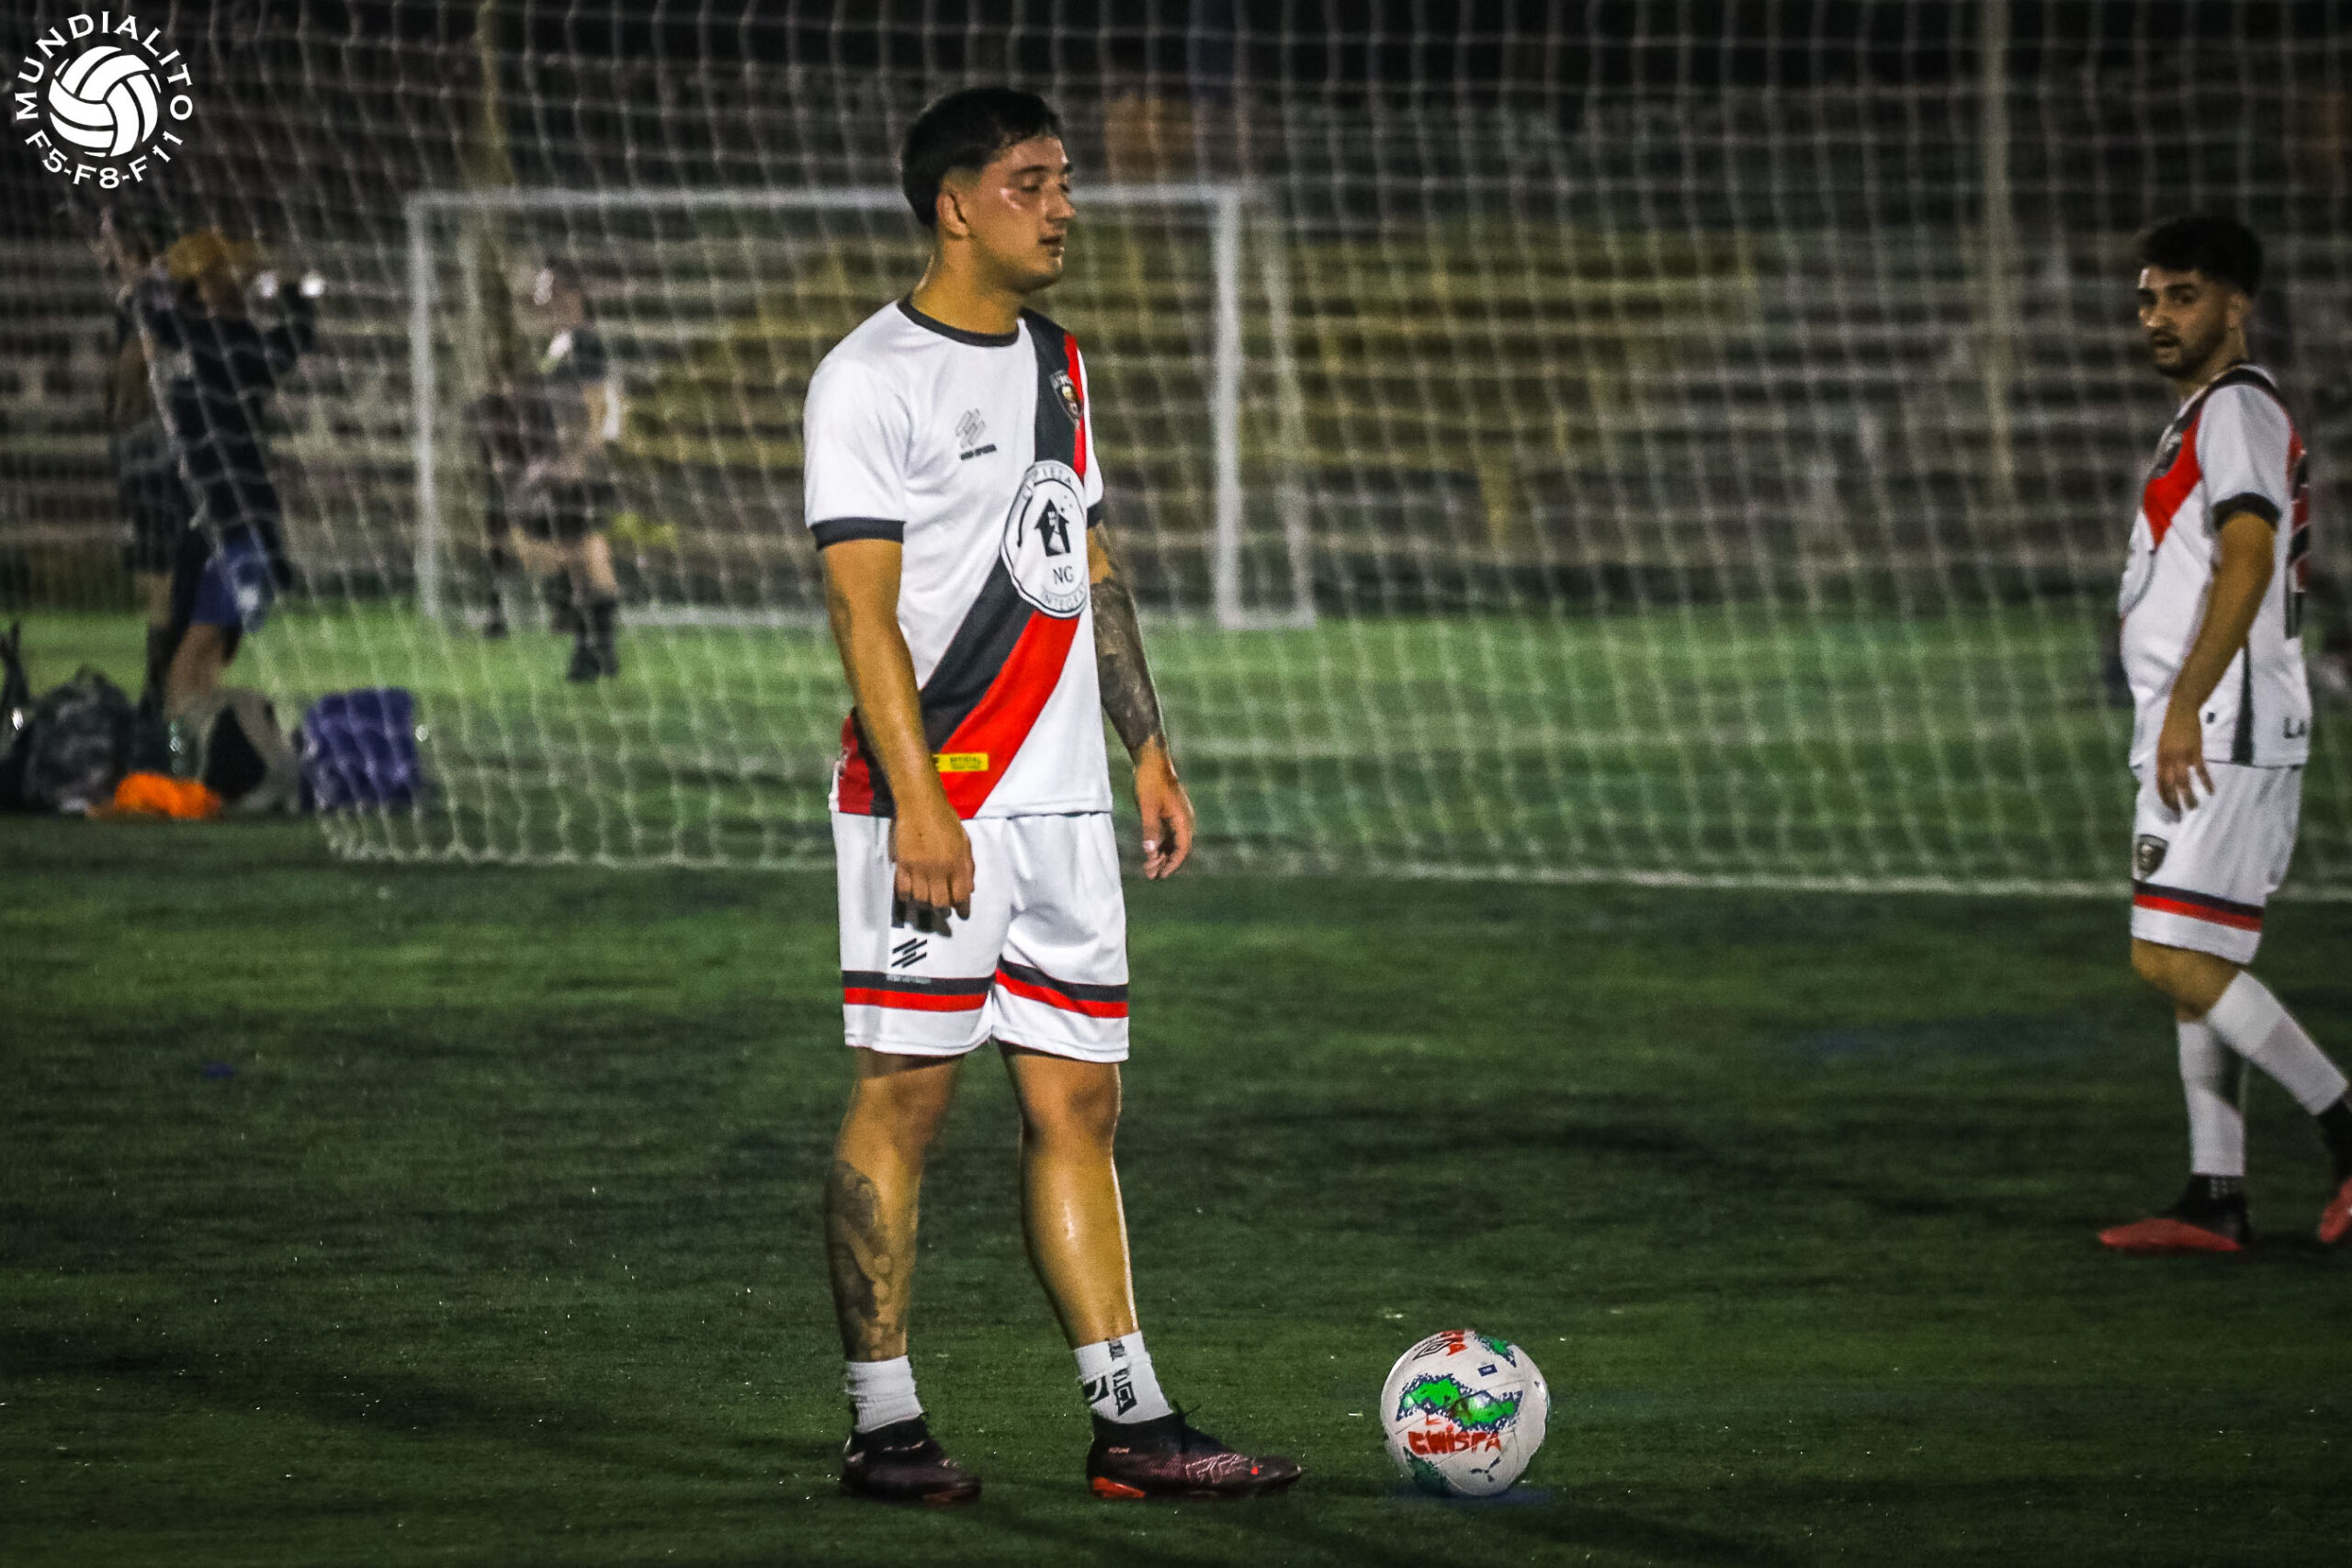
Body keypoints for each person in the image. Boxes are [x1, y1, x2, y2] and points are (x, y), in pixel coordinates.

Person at [802, 87, 1301, 1504]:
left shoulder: (1062, 363)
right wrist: (919, 802)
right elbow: (860, 612)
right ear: (956, 204)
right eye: (1033, 181)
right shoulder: (869, 377)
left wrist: (1147, 745)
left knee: (1080, 1104)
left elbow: (1086, 557)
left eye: (1065, 178)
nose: (1065, 204)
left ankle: (1132, 1421)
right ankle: (884, 1423)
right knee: (906, 1098)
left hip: (1067, 801)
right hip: (939, 796)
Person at [2098, 215, 2352, 1254]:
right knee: (2192, 949)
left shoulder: (2237, 407)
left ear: (2236, 305)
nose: (2158, 316)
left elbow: (2247, 558)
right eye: (2150, 297)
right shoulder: (2206, 413)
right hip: (2215, 716)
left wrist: (2184, 704)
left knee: (2166, 955)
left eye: (2184, 295)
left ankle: (2344, 1125)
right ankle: (2216, 1194)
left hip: (2221, 718)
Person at [133, 227, 318, 722]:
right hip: (234, 510)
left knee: (206, 637)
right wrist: (294, 292)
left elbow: (150, 307)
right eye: (230, 272)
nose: (243, 279)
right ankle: (178, 731)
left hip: (198, 506)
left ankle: (186, 728)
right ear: (207, 283)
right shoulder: (227, 342)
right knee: (206, 634)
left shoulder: (183, 332)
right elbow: (291, 343)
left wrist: (149, 278)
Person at [93, 207, 189, 715]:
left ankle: (162, 689)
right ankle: (164, 687)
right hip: (149, 453)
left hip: (159, 453)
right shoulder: (144, 300)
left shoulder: (154, 299)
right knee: (159, 575)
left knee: (163, 575)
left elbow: (147, 360)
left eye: (120, 253)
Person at [522, 259, 623, 681]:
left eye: (550, 292)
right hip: (566, 457)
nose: (541, 300)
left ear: (572, 295)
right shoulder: (559, 343)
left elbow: (596, 403)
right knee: (579, 553)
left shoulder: (584, 343)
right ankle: (597, 650)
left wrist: (580, 457)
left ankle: (593, 649)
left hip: (584, 461)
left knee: (587, 549)